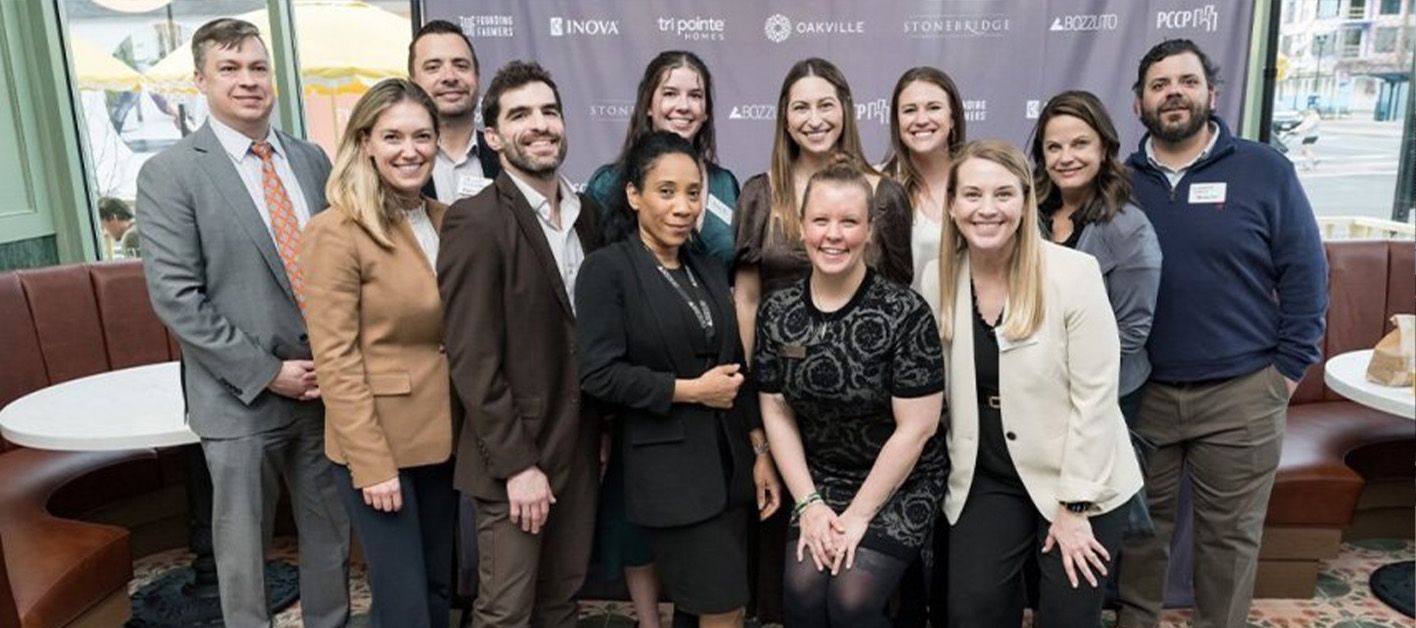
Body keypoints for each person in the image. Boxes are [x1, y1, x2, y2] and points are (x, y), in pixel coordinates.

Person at [137, 18, 350, 628]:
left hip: (323, 390)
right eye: (229, 70)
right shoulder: (171, 173)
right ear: (200, 80)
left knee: (330, 540)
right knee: (242, 557)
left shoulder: (311, 159)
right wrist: (267, 372)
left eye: (257, 68)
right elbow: (178, 299)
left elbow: (337, 269)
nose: (248, 81)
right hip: (239, 401)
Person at [1116, 39, 1328, 628]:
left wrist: (1286, 373)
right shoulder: (1118, 182)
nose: (1173, 93)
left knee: (1228, 544)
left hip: (1242, 393)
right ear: (1139, 104)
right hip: (1144, 394)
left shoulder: (1265, 170)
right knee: (1140, 536)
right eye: (1159, 85)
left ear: (1212, 93)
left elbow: (1307, 276)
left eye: (1186, 80)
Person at [919, 140, 1143, 628]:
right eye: (972, 195)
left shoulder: (1073, 274)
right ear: (953, 205)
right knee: (970, 612)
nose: (987, 209)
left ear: (1024, 201)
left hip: (1077, 474)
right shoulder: (937, 279)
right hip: (989, 474)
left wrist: (1075, 507)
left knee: (1067, 615)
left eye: (1003, 194)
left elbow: (1096, 399)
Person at [576, 131, 782, 628]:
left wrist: (759, 452)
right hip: (668, 473)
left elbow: (736, 366)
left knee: (704, 606)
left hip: (728, 466)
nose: (682, 206)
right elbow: (599, 373)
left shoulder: (707, 266)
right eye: (666, 191)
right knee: (723, 606)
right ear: (633, 194)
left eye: (693, 193)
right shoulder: (608, 270)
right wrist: (689, 391)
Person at [436, 60, 604, 628]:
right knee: (506, 611)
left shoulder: (589, 217)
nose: (539, 125)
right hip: (514, 458)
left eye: (549, 111)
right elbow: (472, 359)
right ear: (493, 137)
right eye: (520, 115)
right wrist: (517, 467)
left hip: (578, 448)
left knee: (561, 601)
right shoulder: (475, 222)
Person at [755, 159, 947, 628]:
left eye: (848, 222)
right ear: (801, 227)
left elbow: (916, 429)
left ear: (869, 229)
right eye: (821, 220)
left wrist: (859, 516)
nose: (833, 235)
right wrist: (810, 503)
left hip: (901, 480)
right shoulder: (778, 311)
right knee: (801, 596)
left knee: (851, 601)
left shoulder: (905, 312)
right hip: (821, 476)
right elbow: (776, 408)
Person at [301, 79, 455, 628]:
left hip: (446, 439)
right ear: (364, 141)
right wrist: (372, 465)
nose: (409, 150)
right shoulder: (334, 231)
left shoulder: (444, 220)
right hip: (380, 449)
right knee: (404, 605)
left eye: (422, 136)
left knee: (439, 589)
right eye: (392, 136)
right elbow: (336, 359)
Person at [733, 57, 914, 362]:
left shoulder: (886, 195)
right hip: (778, 371)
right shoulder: (758, 194)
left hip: (864, 372)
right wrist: (744, 377)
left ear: (845, 109)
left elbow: (898, 296)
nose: (814, 120)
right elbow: (747, 300)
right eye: (801, 107)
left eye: (826, 105)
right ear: (785, 119)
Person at [1028, 90, 1162, 429]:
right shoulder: (1028, 213)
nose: (1066, 157)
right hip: (1034, 392)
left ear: (1103, 148)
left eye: (1080, 144)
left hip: (1104, 397)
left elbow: (1132, 332)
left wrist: (1055, 366)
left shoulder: (1129, 228)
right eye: (1054, 147)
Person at [586, 51, 740, 273]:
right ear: (648, 106)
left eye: (695, 95)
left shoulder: (724, 184)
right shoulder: (608, 183)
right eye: (670, 94)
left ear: (706, 111)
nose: (684, 106)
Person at [880, 66, 967, 300]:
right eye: (909, 110)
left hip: (969, 326)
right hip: (899, 328)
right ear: (897, 122)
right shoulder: (877, 185)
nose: (921, 120)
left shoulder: (977, 180)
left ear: (952, 118)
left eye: (934, 108)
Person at [408, 19, 502, 204]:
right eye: (433, 67)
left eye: (461, 66)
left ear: (477, 77)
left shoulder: (507, 157)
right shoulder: (394, 163)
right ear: (412, 83)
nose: (449, 77)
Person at [1288, 106, 1321, 171]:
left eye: (1311, 110)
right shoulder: (1310, 117)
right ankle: (1308, 163)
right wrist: (1294, 130)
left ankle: (1313, 160)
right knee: (1304, 151)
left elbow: (1309, 126)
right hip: (1309, 135)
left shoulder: (1315, 117)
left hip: (1312, 135)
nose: (1309, 111)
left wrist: (1299, 130)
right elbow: (1303, 125)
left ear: (1315, 111)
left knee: (1306, 150)